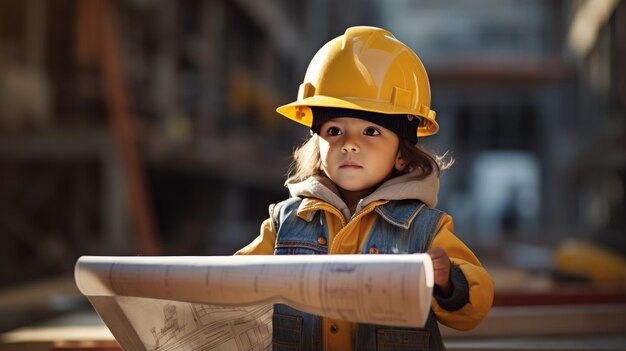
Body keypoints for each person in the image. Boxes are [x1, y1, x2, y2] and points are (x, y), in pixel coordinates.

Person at [236, 26, 493, 350]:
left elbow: (476, 305)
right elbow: (234, 283)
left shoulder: (425, 230)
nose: (350, 145)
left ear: (401, 155)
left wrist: (446, 281)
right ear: (318, 144)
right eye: (335, 130)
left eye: (371, 131)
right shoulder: (284, 222)